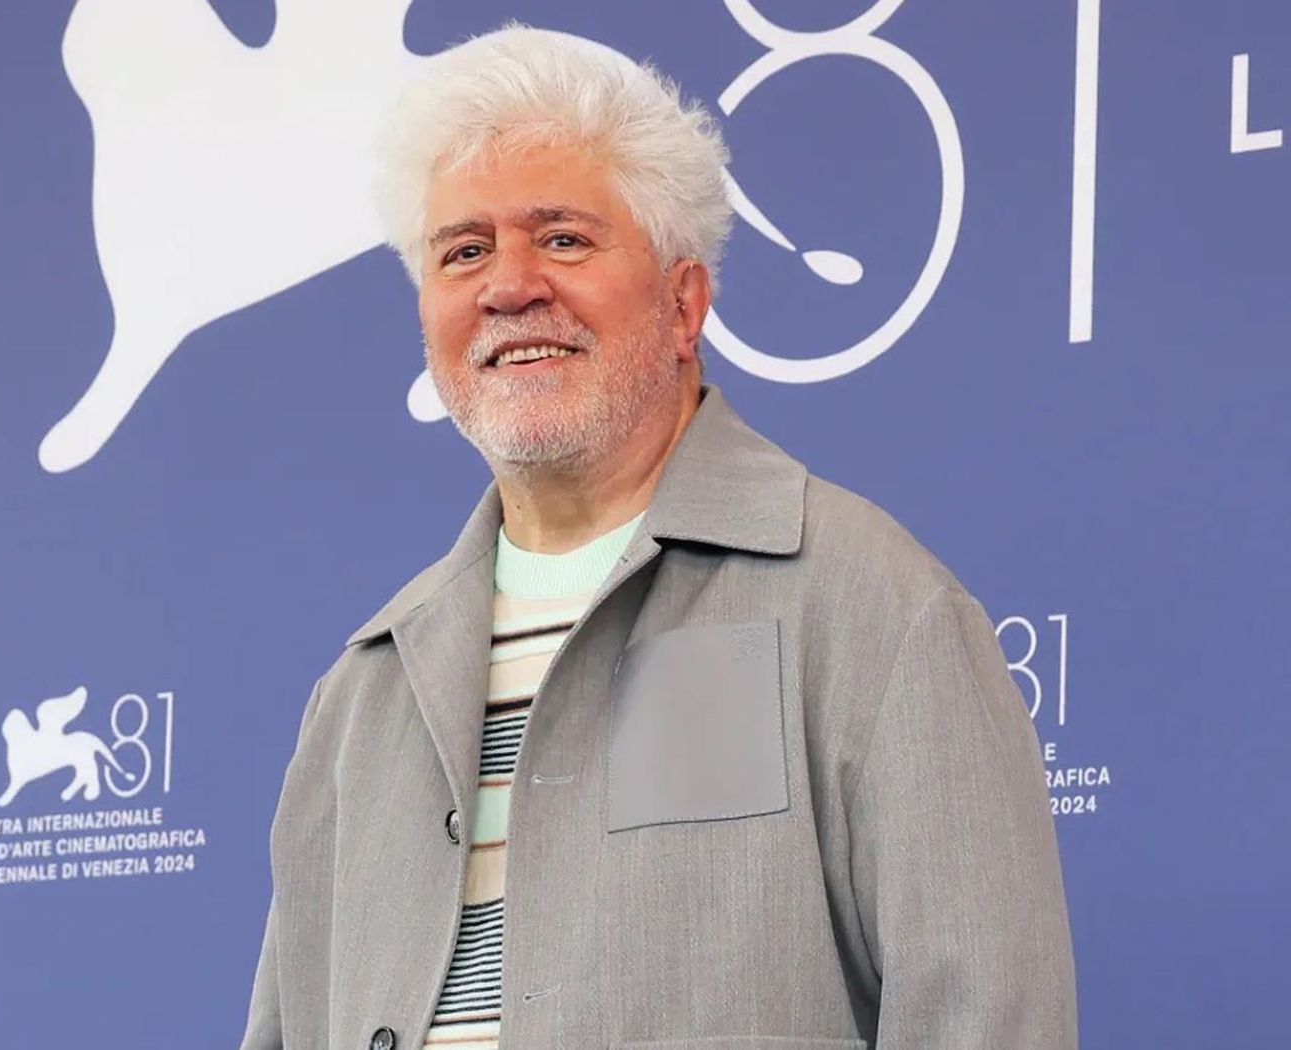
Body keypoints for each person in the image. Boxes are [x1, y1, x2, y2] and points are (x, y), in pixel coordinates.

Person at [240, 23, 1077, 1050]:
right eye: (463, 251)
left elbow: (990, 1021)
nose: (508, 285)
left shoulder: (872, 609)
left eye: (562, 238)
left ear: (684, 304)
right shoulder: (361, 694)